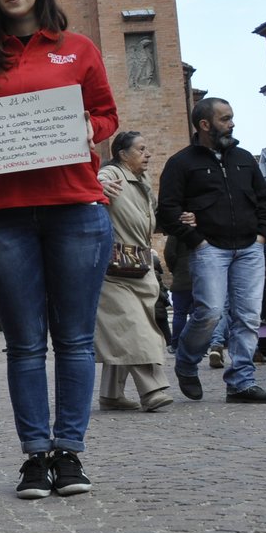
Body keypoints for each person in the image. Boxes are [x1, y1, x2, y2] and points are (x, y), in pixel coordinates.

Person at [0, 0, 117, 499]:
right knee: (24, 344)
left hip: (74, 206)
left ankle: (70, 454)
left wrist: (92, 129)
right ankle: (34, 457)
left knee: (73, 338)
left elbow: (107, 112)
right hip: (3, 215)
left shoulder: (78, 49)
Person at [156, 97, 266, 403]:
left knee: (248, 317)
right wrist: (197, 240)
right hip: (209, 249)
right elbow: (167, 212)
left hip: (250, 248)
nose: (232, 123)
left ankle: (241, 383)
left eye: (232, 117)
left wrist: (262, 236)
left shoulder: (244, 159)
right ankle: (186, 361)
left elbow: (265, 200)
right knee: (209, 312)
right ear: (205, 125)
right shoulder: (180, 163)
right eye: (225, 118)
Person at [94, 131, 174, 412]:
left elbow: (148, 219)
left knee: (124, 330)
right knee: (134, 328)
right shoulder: (111, 175)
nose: (148, 154)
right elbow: (95, 184)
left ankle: (111, 395)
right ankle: (152, 389)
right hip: (114, 269)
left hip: (138, 266)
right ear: (122, 154)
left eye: (147, 148)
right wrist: (97, 188)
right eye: (141, 149)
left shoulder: (142, 181)